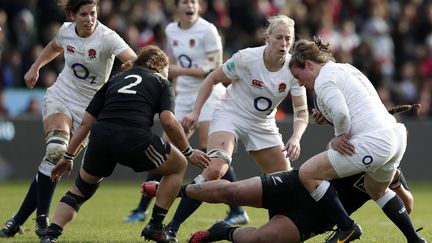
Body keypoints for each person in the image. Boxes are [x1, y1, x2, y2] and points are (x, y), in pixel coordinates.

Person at [39, 45, 211, 243]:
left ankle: (51, 235)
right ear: (159, 65)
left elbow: (87, 122)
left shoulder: (115, 80)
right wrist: (189, 152)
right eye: (167, 70)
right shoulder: (162, 83)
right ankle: (155, 226)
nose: (168, 74)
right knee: (179, 164)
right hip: (133, 137)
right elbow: (169, 121)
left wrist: (69, 156)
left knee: (81, 190)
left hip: (101, 136)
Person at [0, 0, 137, 239]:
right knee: (55, 151)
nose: (89, 18)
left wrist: (126, 71)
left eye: (93, 13)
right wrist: (35, 67)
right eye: (84, 14)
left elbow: (133, 60)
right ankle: (42, 219)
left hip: (89, 111)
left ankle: (16, 222)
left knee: (56, 162)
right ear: (73, 15)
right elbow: (54, 46)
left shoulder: (108, 37)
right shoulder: (66, 31)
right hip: (61, 96)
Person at [164, 14, 309, 238]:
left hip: (263, 124)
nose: (284, 43)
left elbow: (301, 112)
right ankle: (171, 228)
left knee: (284, 185)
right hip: (230, 114)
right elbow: (211, 79)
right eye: (279, 37)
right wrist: (195, 111)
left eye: (288, 39)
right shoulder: (246, 58)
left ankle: (270, 236)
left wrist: (296, 137)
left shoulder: (293, 68)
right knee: (215, 170)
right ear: (267, 38)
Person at [288, 37, 425, 243]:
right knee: (375, 189)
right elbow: (356, 108)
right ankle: (415, 239)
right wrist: (328, 115)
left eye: (298, 76)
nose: (299, 82)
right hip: (395, 137)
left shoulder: (324, 80)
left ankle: (346, 227)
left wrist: (338, 137)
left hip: (375, 142)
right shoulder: (346, 68)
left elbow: (343, 114)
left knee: (308, 173)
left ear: (309, 64)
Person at [123, 0, 249, 226]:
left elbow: (213, 68)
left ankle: (237, 210)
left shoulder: (208, 30)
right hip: (183, 96)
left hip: (210, 94)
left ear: (198, 6)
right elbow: (169, 60)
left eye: (193, 1)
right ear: (177, 7)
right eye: (185, 1)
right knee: (164, 151)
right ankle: (141, 208)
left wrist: (174, 70)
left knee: (211, 150)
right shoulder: (171, 29)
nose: (190, 5)